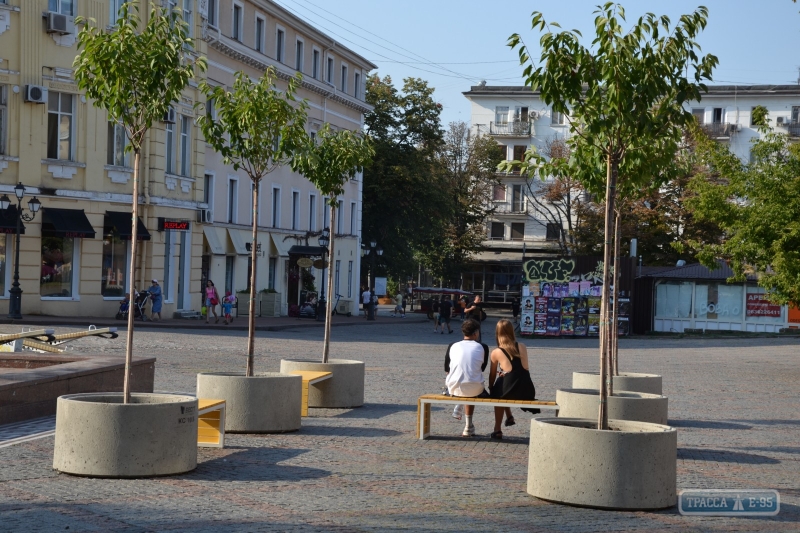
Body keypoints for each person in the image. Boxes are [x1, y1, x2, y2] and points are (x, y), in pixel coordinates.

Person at [488, 319, 538, 440]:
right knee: (505, 384)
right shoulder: (522, 346)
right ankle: (509, 416)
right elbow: (520, 369)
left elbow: (492, 375)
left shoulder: (496, 352)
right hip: (527, 389)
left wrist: (491, 387)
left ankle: (497, 429)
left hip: (510, 389)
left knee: (498, 391)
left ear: (498, 333)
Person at [444, 319, 490, 437]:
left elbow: (447, 369)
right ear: (476, 333)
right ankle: (468, 425)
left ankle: (459, 404)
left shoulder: (452, 345)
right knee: (472, 382)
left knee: (463, 380)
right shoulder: (483, 347)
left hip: (454, 386)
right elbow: (482, 368)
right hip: (474, 387)